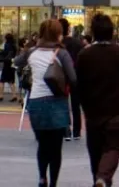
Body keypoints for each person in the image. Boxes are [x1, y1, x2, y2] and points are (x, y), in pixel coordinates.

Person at [15, 19, 77, 187]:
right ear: (58, 34)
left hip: (35, 102)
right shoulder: (62, 53)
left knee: (42, 144)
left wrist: (29, 47)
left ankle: (42, 177)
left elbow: (16, 62)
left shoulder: (31, 52)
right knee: (56, 148)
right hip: (57, 102)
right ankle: (53, 183)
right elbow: (73, 78)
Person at [76, 13, 119, 187]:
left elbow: (79, 81)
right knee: (113, 147)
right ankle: (103, 177)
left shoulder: (85, 54)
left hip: (92, 110)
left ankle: (99, 178)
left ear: (93, 32)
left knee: (95, 151)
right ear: (112, 31)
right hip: (113, 109)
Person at [58, 18, 83, 141]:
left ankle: (66, 130)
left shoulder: (57, 44)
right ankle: (77, 131)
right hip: (76, 76)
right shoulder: (77, 43)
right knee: (75, 105)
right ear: (68, 28)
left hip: (61, 77)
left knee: (63, 104)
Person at [0, 33, 18, 102]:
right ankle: (14, 95)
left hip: (7, 64)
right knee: (11, 81)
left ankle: (1, 96)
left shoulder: (6, 45)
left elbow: (4, 53)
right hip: (12, 64)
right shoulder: (14, 45)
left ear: (6, 38)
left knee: (2, 81)